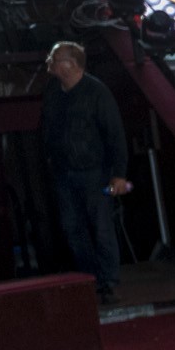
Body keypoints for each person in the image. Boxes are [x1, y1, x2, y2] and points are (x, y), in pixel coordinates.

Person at [39, 41, 130, 302]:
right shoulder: (53, 92)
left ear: (70, 64)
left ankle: (108, 280)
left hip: (94, 172)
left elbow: (114, 134)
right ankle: (89, 278)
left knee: (101, 226)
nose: (50, 64)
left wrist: (118, 173)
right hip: (64, 173)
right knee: (72, 228)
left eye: (54, 59)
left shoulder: (96, 92)